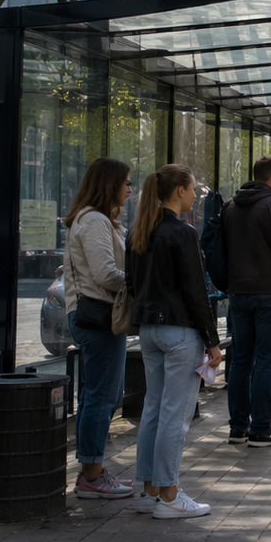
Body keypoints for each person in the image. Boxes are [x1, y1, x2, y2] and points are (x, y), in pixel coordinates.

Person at [126, 165, 222, 519]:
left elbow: (132, 284)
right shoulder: (182, 233)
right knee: (175, 414)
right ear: (179, 191)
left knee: (153, 409)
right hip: (180, 330)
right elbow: (196, 291)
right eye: (193, 189)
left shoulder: (139, 232)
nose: (196, 195)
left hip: (149, 329)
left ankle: (148, 490)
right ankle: (169, 494)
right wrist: (212, 342)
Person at [64, 157, 135, 500]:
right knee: (101, 396)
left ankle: (91, 470)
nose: (129, 190)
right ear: (110, 185)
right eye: (125, 183)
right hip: (97, 318)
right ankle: (91, 476)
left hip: (101, 318)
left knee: (100, 394)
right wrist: (138, 283)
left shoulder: (100, 220)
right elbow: (105, 273)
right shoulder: (93, 221)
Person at [221, 155, 271, 447]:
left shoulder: (230, 207)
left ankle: (238, 426)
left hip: (239, 295)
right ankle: (262, 427)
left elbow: (220, 249)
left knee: (241, 360)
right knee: (267, 362)